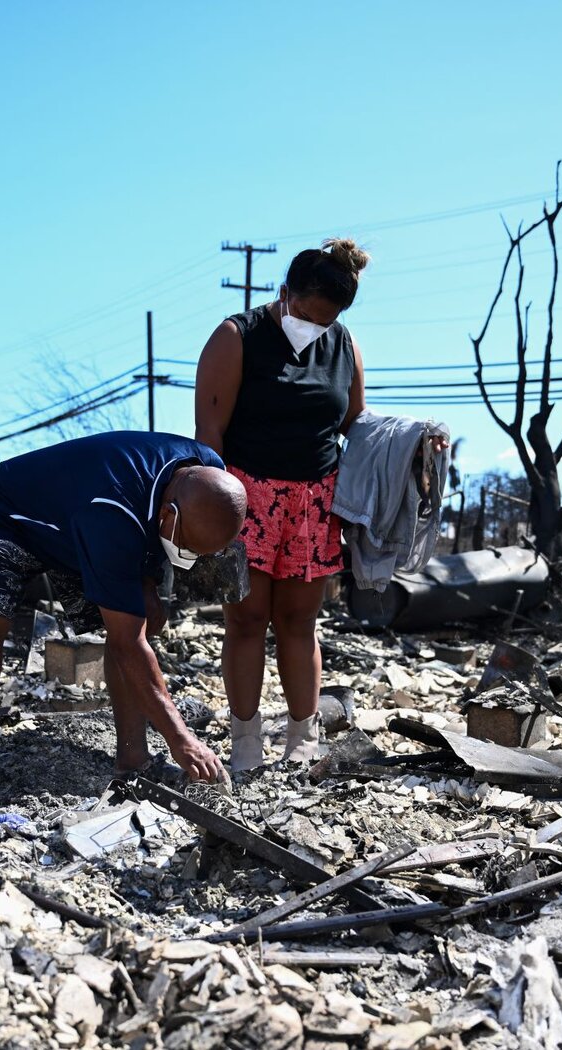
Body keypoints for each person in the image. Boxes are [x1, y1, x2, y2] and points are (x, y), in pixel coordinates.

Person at [0, 430, 247, 811]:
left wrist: (150, 579)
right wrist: (182, 738)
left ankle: (134, 761)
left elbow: (148, 533)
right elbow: (127, 643)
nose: (187, 558)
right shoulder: (111, 513)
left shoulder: (208, 472)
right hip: (7, 514)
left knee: (146, 617)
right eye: (186, 549)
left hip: (79, 520)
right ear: (170, 515)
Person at [194, 238, 369, 771]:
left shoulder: (345, 347)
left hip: (314, 503)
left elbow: (358, 428)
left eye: (326, 321)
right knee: (246, 620)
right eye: (308, 314)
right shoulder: (236, 337)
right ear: (284, 292)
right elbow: (209, 434)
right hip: (245, 497)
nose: (315, 327)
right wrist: (213, 516)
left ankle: (302, 738)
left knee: (300, 622)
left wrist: (419, 440)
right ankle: (245, 741)